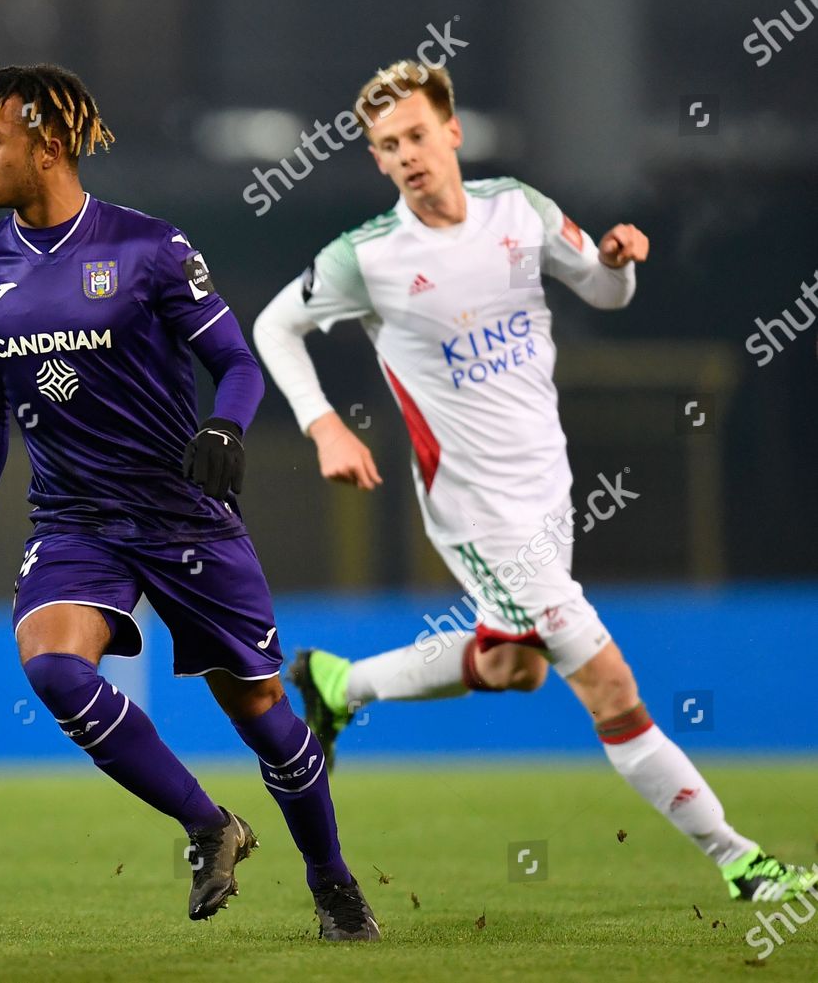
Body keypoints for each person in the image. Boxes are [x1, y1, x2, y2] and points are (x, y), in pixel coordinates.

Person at [252, 59, 816, 903]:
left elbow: (606, 290)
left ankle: (342, 682)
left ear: (453, 132)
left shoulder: (518, 209)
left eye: (415, 135)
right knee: (610, 685)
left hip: (549, 489)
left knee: (516, 666)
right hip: (478, 510)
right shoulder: (367, 257)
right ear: (375, 159)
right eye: (386, 145)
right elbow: (273, 323)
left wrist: (621, 262)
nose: (405, 154)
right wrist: (323, 422)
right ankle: (742, 860)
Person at [0, 62, 378, 939]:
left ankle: (331, 879)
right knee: (53, 666)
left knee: (261, 714)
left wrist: (226, 427)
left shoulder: (150, 249)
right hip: (75, 522)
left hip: (182, 516)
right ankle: (209, 823)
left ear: (48, 145)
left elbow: (240, 363)